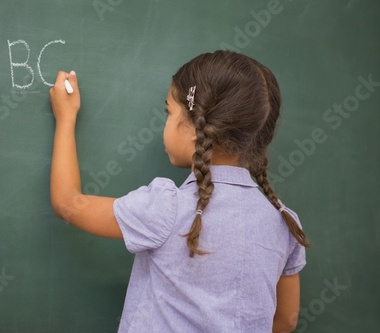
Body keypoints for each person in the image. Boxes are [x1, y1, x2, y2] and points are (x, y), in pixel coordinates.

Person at [49, 50, 310, 333]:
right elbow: (285, 321)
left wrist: (66, 119)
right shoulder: (284, 224)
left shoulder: (167, 208)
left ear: (196, 127)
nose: (165, 121)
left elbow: (68, 204)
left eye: (168, 111)